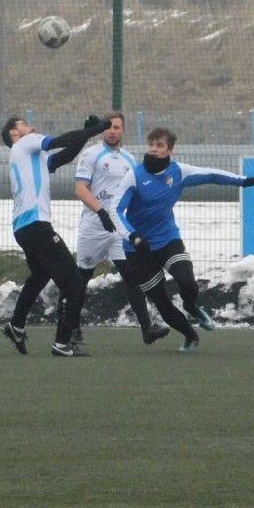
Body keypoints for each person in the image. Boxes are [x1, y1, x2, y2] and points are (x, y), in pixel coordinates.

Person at [110, 126, 254, 353]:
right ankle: (190, 335)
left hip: (167, 241)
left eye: (160, 145)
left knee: (187, 282)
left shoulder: (179, 173)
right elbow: (115, 210)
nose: (153, 149)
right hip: (138, 250)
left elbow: (213, 175)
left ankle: (191, 305)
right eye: (151, 144)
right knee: (163, 304)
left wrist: (246, 181)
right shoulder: (134, 175)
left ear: (170, 150)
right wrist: (133, 236)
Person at [0, 113, 112, 357]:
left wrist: (86, 131)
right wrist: (97, 129)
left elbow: (67, 154)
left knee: (39, 275)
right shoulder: (25, 143)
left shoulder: (29, 157)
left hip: (23, 228)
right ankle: (62, 343)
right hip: (36, 227)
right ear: (14, 133)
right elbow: (61, 140)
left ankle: (16, 325)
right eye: (25, 125)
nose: (33, 127)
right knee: (74, 283)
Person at [59, 111, 169, 346]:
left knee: (131, 276)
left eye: (116, 127)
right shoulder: (91, 154)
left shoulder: (130, 160)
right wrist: (100, 211)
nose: (112, 131)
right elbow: (80, 188)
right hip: (94, 226)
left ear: (123, 131)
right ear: (102, 131)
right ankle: (71, 328)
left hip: (119, 228)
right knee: (81, 279)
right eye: (108, 127)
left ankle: (146, 329)